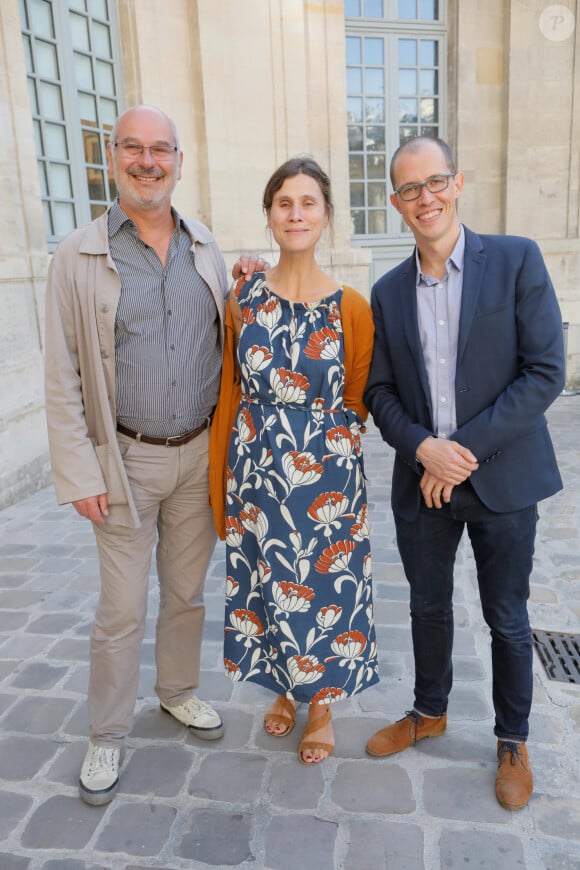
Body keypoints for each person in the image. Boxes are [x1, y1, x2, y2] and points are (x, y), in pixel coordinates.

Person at [44, 104, 265, 805]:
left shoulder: (204, 244)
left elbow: (229, 333)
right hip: (125, 463)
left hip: (199, 454)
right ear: (113, 157)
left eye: (160, 150)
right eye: (133, 148)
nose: (148, 161)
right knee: (119, 609)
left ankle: (176, 692)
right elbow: (62, 373)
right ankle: (106, 735)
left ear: (177, 159)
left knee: (186, 593)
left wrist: (253, 279)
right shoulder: (79, 254)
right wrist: (79, 470)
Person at [363, 136, 565, 810]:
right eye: (410, 189)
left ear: (458, 183)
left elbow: (544, 373)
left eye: (436, 182)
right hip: (422, 485)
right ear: (396, 203)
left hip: (503, 481)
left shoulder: (515, 260)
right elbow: (379, 392)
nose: (426, 198)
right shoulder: (388, 292)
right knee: (426, 606)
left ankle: (513, 737)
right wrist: (424, 448)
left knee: (506, 616)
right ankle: (429, 711)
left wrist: (460, 451)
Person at [209, 157, 379, 764]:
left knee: (325, 581)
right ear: (269, 214)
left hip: (326, 472)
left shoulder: (351, 306)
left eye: (308, 203)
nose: (296, 213)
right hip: (255, 468)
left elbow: (356, 398)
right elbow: (231, 383)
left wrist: (318, 447)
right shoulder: (243, 297)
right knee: (268, 580)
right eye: (285, 203)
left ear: (327, 216)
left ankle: (323, 702)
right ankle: (283, 686)